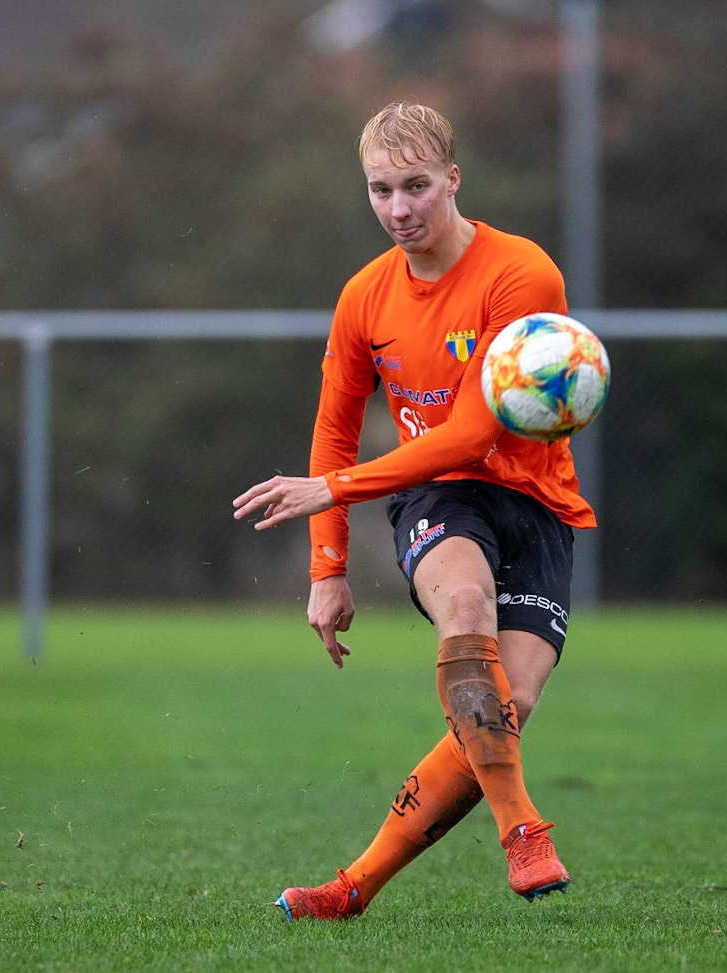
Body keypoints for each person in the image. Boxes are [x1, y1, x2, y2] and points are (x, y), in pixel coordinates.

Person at [231, 101, 592, 918]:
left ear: (454, 179)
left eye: (417, 186)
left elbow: (473, 433)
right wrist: (327, 568)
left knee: (509, 707)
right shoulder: (364, 296)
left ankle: (353, 886)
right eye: (381, 190)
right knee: (464, 602)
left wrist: (336, 489)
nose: (399, 209)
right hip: (438, 495)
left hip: (536, 500)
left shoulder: (522, 273)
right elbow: (334, 429)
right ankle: (523, 829)